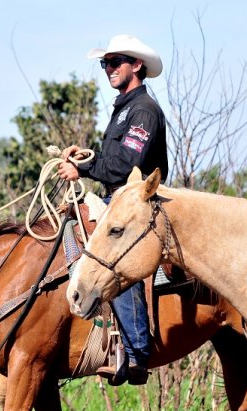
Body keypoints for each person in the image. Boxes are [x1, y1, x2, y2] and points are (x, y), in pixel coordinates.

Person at [58, 34, 168, 386]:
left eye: (115, 62)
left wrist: (83, 169)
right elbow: (114, 159)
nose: (108, 69)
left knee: (114, 257)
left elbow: (126, 165)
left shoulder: (143, 110)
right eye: (105, 63)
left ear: (137, 65)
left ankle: (136, 352)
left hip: (136, 204)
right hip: (118, 198)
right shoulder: (124, 109)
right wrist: (86, 158)